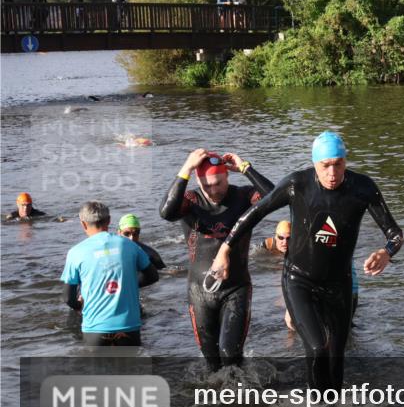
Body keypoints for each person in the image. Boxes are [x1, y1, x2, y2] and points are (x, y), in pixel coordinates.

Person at [211, 131, 403, 399]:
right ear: (315, 164)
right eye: (326, 166)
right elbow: (254, 214)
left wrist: (387, 252)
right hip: (299, 280)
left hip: (339, 283)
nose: (333, 172)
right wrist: (225, 250)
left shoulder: (363, 188)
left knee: (337, 357)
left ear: (346, 161)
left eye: (339, 164)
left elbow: (395, 233)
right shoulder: (296, 184)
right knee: (317, 347)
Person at [160, 149, 273, 370]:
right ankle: (218, 401)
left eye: (218, 182)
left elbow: (274, 198)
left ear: (227, 176)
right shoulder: (191, 200)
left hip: (236, 287)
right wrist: (186, 168)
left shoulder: (243, 196)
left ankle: (240, 399)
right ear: (197, 180)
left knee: (230, 354)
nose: (213, 190)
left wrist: (244, 167)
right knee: (211, 360)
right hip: (199, 291)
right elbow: (166, 212)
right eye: (207, 184)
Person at [61, 201, 159, 347]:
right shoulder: (130, 245)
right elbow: (153, 276)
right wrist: (128, 284)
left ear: (83, 224)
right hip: (129, 326)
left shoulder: (76, 252)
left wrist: (78, 304)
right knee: (133, 368)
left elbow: (68, 298)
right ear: (109, 220)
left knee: (99, 369)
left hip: (95, 329)